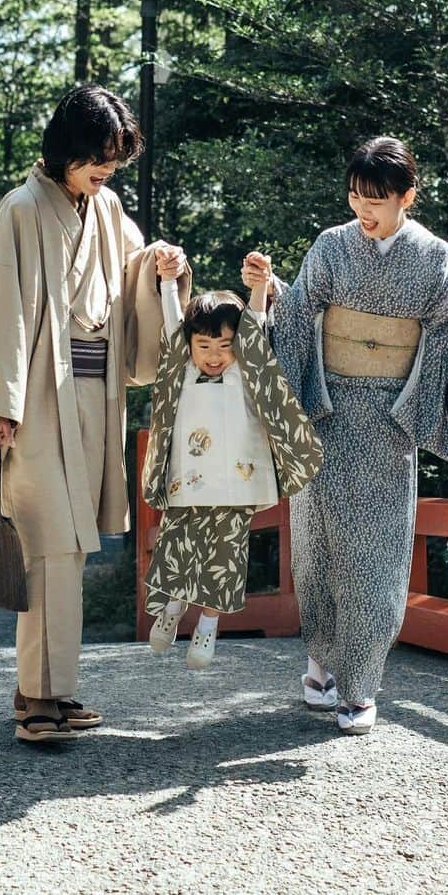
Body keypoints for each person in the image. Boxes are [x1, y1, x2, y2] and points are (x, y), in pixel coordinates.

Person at [0, 84, 190, 745]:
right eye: (95, 157)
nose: (105, 169)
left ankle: (48, 691)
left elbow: (132, 275)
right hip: (33, 403)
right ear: (66, 149)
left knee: (69, 549)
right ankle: (38, 701)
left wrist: (163, 267)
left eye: (113, 159)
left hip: (93, 399)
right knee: (49, 546)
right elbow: (2, 306)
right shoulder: (21, 209)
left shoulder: (106, 209)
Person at [242, 137, 448, 736]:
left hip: (390, 421)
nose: (365, 210)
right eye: (357, 197)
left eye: (378, 201)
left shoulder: (435, 257)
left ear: (407, 198)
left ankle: (360, 687)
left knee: (377, 556)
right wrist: (267, 288)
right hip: (325, 412)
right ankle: (319, 666)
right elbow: (297, 318)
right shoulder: (331, 246)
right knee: (316, 548)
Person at [142, 274, 322, 669]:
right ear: (189, 344)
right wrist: (170, 281)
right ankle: (172, 607)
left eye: (225, 346)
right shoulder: (182, 370)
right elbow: (173, 323)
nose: (213, 355)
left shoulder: (247, 372)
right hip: (189, 481)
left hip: (237, 483)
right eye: (203, 345)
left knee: (225, 556)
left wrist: (258, 286)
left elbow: (255, 322)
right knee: (178, 546)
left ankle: (208, 625)